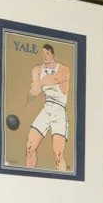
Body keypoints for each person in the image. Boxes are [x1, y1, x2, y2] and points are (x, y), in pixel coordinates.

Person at [24, 41, 70, 170]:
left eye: (48, 53)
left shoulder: (64, 69)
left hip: (59, 111)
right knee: (30, 146)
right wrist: (33, 90)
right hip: (47, 108)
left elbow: (52, 79)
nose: (45, 56)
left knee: (58, 154)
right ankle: (29, 177)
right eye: (43, 53)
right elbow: (35, 90)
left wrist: (39, 83)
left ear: (53, 54)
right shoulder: (37, 69)